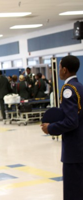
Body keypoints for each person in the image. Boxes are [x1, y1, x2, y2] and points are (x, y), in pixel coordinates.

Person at [41, 55, 83, 200]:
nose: (58, 71)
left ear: (64, 70)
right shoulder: (80, 87)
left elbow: (72, 122)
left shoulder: (68, 89)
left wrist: (51, 128)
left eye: (59, 68)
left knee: (73, 190)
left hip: (74, 149)